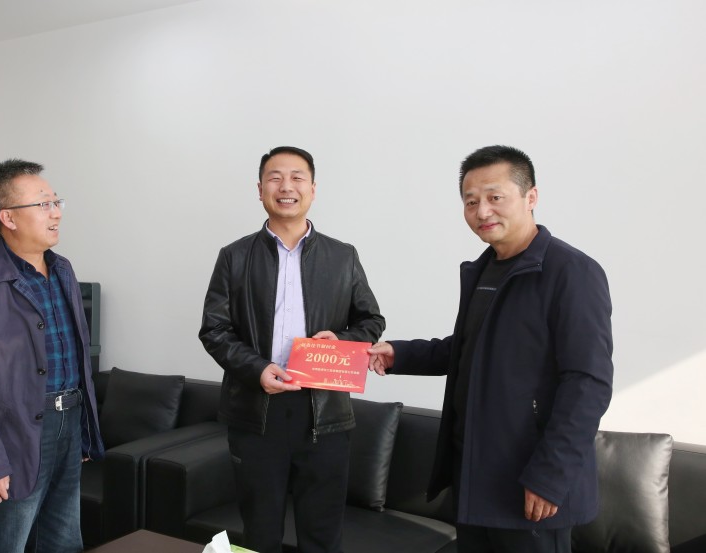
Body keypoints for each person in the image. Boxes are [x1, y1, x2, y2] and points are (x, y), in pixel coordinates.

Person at [368, 145, 613, 553]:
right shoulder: (484, 268)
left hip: (531, 484)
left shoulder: (572, 272)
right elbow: (472, 348)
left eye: (495, 197)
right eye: (471, 201)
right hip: (474, 478)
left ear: (531, 197)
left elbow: (589, 383)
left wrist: (550, 475)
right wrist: (400, 354)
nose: (482, 211)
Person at [199, 146, 385, 553]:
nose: (286, 187)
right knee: (260, 532)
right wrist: (256, 368)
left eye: (297, 177)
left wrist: (343, 340)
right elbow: (214, 329)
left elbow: (372, 321)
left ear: (313, 189)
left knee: (322, 535)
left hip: (325, 413)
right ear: (260, 189)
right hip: (256, 411)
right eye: (275, 177)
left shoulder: (343, 256)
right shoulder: (234, 256)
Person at [0, 159, 104, 553]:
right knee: (4, 544)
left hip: (68, 423)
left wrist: (82, 431)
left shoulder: (62, 270)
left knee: (63, 541)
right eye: (44, 204)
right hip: (12, 433)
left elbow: (76, 359)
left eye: (56, 202)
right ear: (8, 217)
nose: (56, 212)